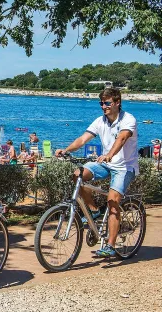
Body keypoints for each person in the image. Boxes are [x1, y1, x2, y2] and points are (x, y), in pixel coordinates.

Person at [55, 87, 138, 258]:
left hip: (124, 166)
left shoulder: (128, 119)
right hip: (106, 163)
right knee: (78, 174)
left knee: (113, 201)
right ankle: (93, 211)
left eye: (107, 103)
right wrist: (66, 149)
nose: (103, 106)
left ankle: (110, 245)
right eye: (101, 103)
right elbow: (83, 139)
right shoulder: (100, 121)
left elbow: (122, 138)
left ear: (117, 102)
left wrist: (109, 155)